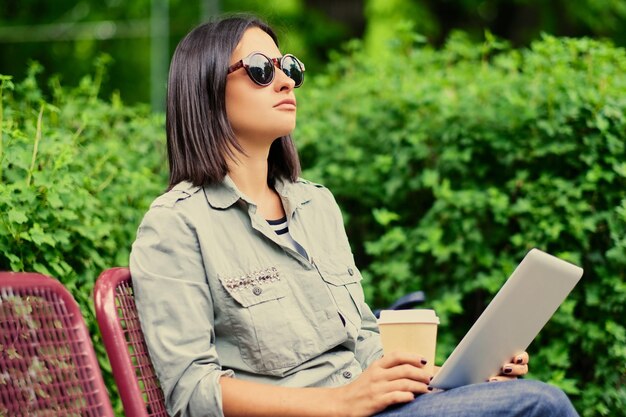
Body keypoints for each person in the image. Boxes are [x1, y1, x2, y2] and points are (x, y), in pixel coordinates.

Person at [129, 14, 580, 417]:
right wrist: (340, 403)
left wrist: (460, 380)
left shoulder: (315, 205)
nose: (285, 82)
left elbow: (363, 341)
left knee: (526, 397)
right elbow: (192, 394)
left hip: (375, 406)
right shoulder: (176, 225)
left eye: (288, 68)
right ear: (205, 90)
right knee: (543, 404)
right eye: (261, 71)